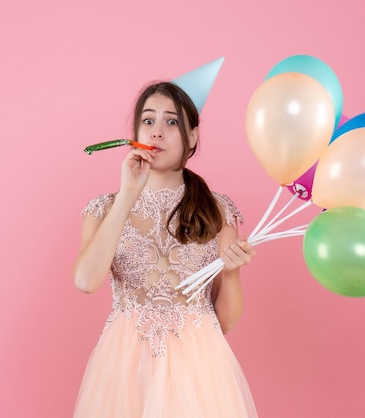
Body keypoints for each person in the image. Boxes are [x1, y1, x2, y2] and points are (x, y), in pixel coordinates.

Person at [72, 81, 258, 417]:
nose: (157, 132)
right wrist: (127, 194)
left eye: (172, 122)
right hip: (124, 371)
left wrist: (231, 273)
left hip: (198, 374)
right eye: (148, 121)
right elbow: (86, 281)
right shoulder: (104, 209)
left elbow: (226, 322)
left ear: (193, 137)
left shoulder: (218, 211)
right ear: (135, 133)